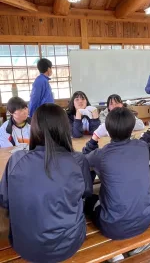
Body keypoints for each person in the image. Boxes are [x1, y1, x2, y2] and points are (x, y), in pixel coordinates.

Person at [0, 103, 92, 262]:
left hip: (25, 246)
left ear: (34, 128)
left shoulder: (17, 159)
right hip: (69, 244)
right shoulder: (78, 160)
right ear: (65, 128)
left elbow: (5, 200)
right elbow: (86, 193)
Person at [83, 107, 150, 246]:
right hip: (146, 218)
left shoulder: (101, 154)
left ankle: (114, 253)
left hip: (114, 228)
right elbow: (144, 141)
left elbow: (82, 160)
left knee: (89, 200)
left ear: (108, 130)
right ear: (132, 127)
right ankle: (140, 244)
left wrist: (95, 137)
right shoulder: (142, 147)